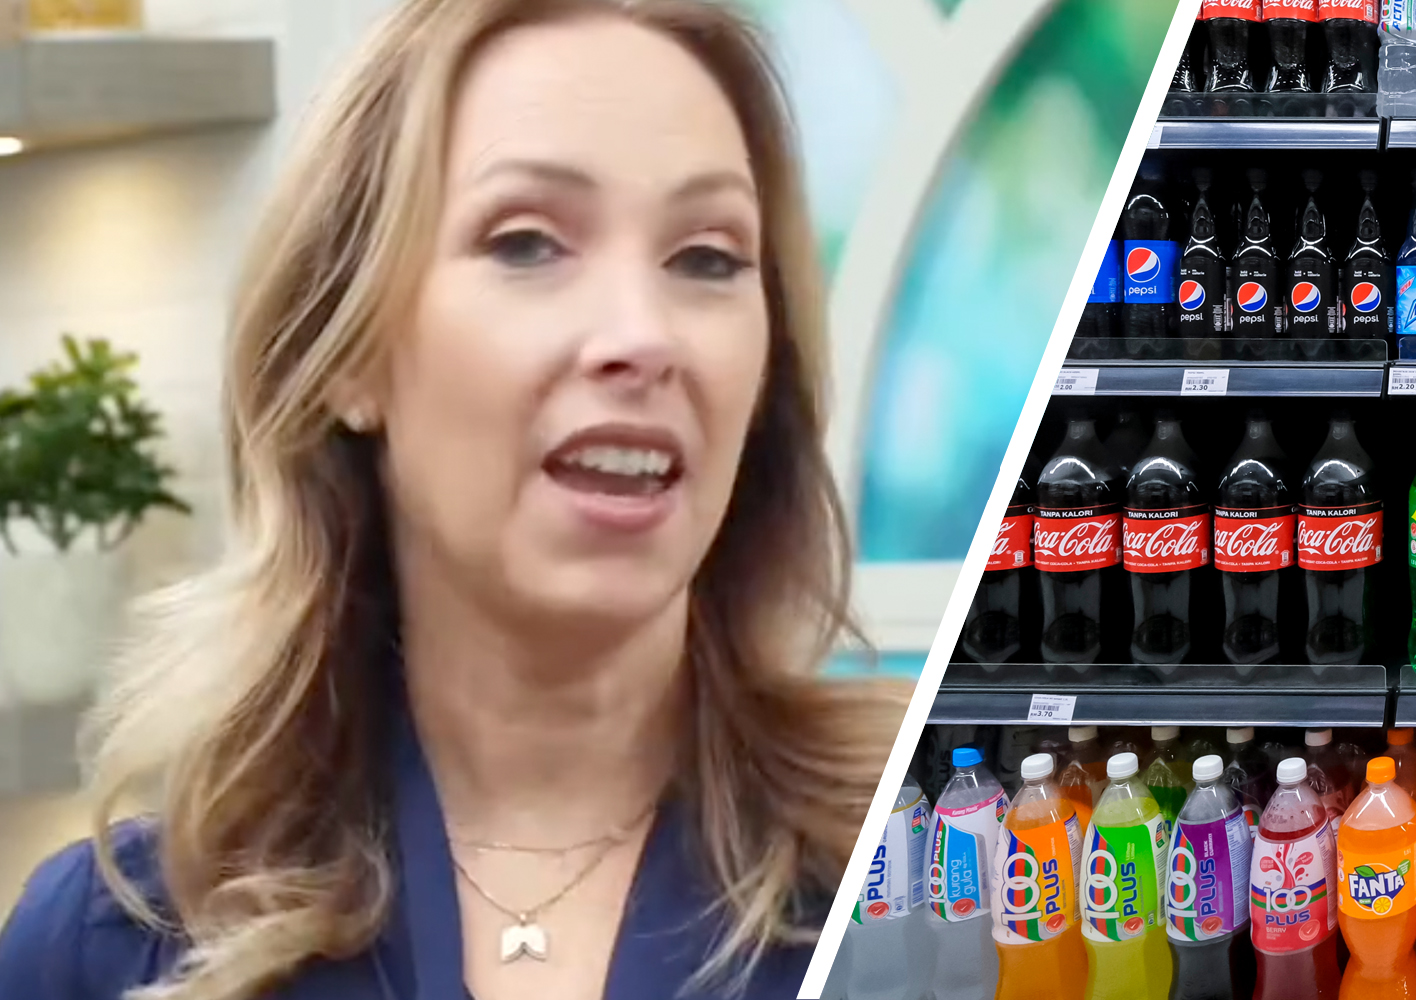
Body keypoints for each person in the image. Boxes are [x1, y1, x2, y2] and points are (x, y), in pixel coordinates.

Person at [0, 1, 907, 997]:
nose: (642, 335)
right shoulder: (116, 942)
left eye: (706, 258)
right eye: (526, 243)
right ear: (350, 358)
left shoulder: (946, 870)